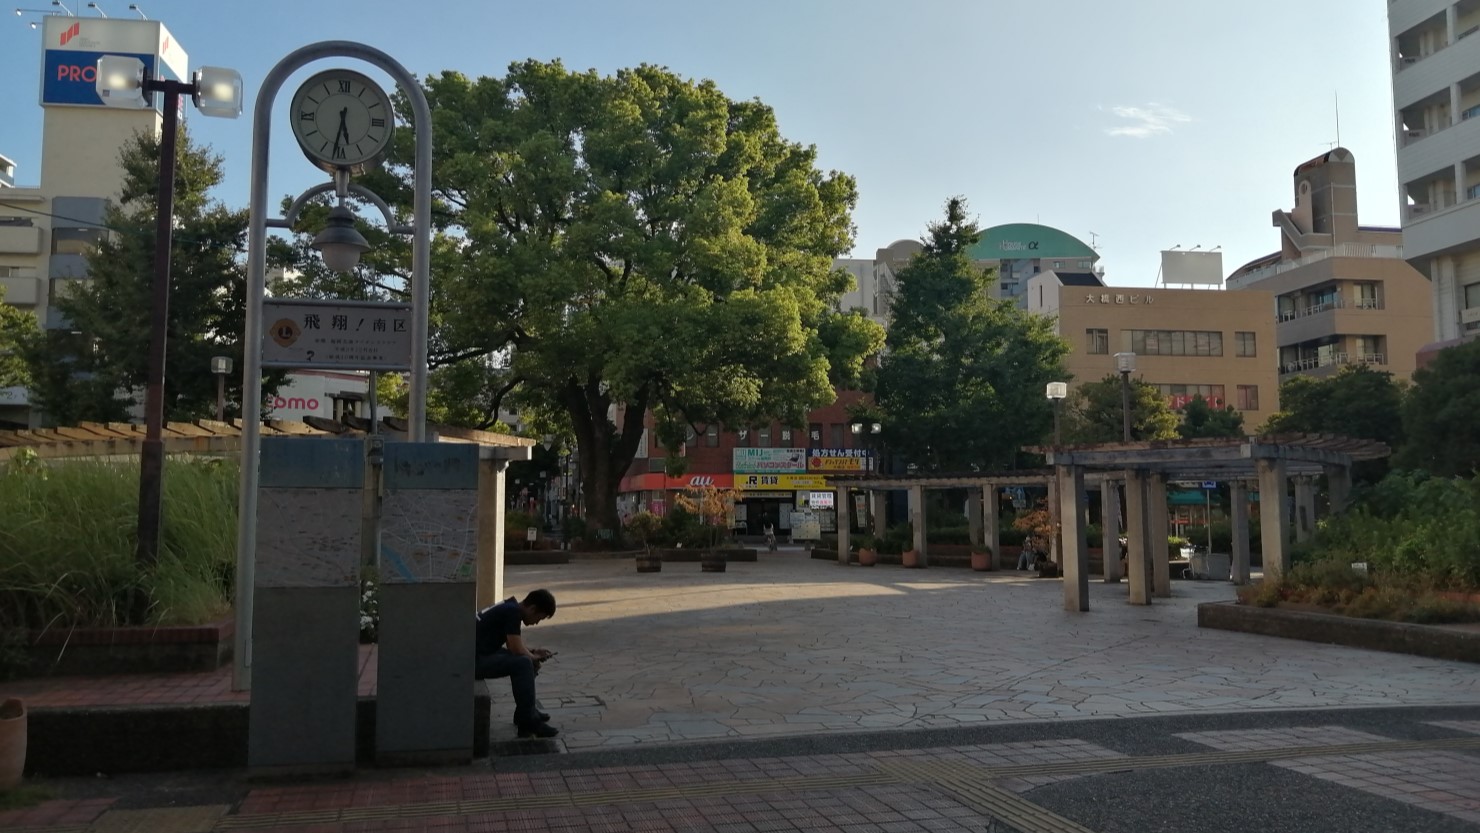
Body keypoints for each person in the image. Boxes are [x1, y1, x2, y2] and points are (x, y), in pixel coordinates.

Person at [475, 589, 559, 738]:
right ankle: (528, 721)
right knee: (523, 663)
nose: (535, 623)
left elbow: (513, 644)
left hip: (477, 654)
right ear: (532, 608)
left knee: (526, 660)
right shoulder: (513, 613)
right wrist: (532, 657)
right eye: (538, 618)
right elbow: (516, 648)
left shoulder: (510, 607)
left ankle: (526, 711)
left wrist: (533, 652)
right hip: (474, 662)